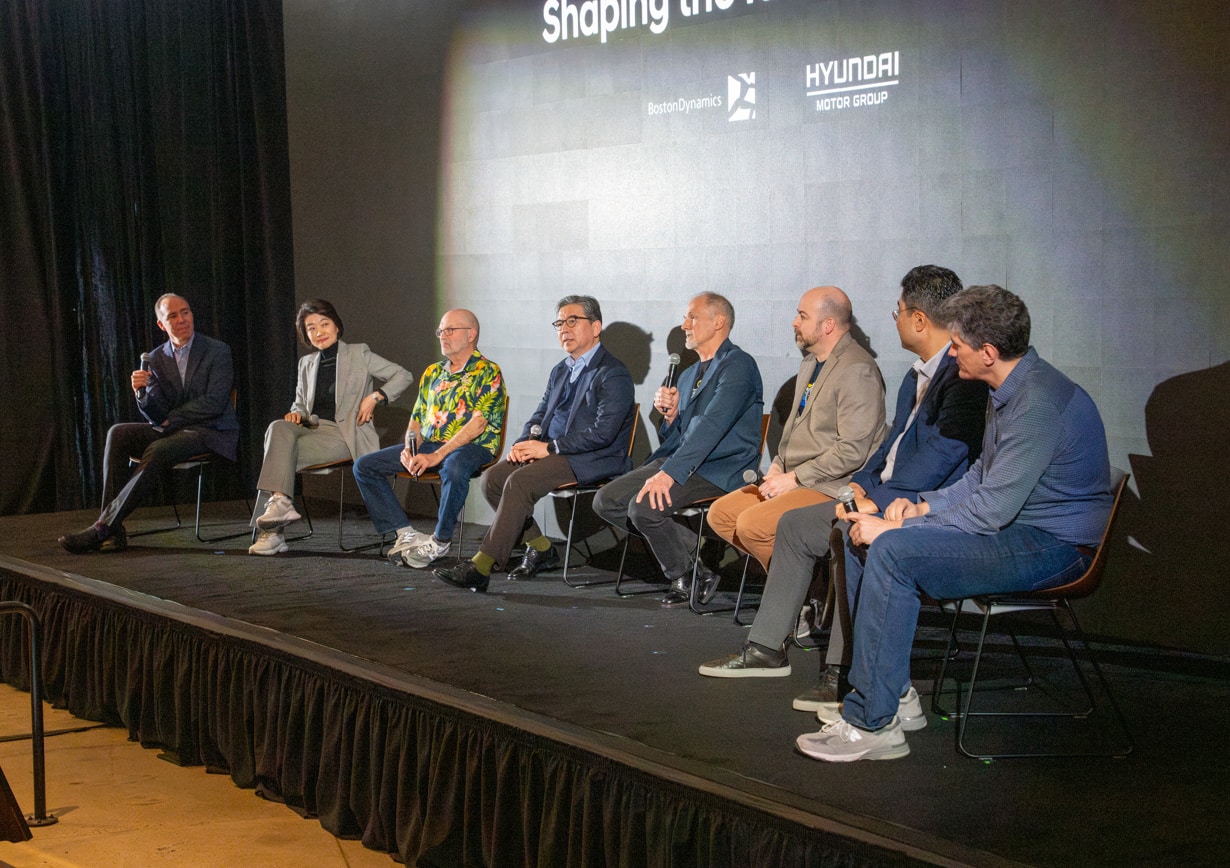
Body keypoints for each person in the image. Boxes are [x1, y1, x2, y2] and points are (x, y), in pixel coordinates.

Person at [796, 285, 1114, 762]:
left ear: (987, 353)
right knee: (862, 537)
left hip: (1055, 547)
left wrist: (899, 530)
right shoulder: (1009, 387)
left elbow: (990, 512)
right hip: (1018, 531)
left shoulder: (1037, 402)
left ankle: (873, 724)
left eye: (958, 345)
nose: (950, 353)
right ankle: (891, 693)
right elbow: (981, 477)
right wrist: (922, 507)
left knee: (892, 550)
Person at [698, 266, 987, 711]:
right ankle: (767, 648)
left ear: (919, 320)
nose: (894, 319)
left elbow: (945, 456)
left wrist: (873, 497)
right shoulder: (916, 375)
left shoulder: (958, 377)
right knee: (794, 527)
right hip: (875, 492)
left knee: (842, 533)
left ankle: (843, 670)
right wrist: (861, 486)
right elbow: (887, 447)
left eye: (898, 311)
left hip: (920, 506)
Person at [436, 296, 635, 592]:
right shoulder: (560, 370)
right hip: (555, 452)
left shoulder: (613, 373)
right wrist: (524, 442)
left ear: (596, 327)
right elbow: (540, 414)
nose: (564, 329)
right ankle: (541, 547)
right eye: (560, 323)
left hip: (593, 457)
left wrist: (550, 448)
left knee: (520, 482)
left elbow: (603, 434)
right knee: (493, 479)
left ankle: (481, 566)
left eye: (572, 321)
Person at [593, 293, 763, 608]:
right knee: (606, 501)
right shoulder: (687, 375)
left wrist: (669, 473)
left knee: (644, 508)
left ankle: (684, 574)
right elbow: (680, 436)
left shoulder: (738, 365)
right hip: (682, 460)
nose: (685, 325)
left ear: (719, 322)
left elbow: (712, 427)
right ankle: (693, 557)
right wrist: (671, 418)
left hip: (720, 468)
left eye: (692, 317)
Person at [706, 285, 886, 570]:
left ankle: (796, 588)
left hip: (831, 484)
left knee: (752, 524)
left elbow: (852, 451)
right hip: (796, 476)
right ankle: (800, 582)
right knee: (720, 514)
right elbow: (794, 430)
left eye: (802, 316)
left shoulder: (857, 369)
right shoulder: (811, 362)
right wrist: (778, 466)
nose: (794, 322)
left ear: (828, 325)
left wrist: (795, 479)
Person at [59, 294, 239, 553]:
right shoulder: (155, 359)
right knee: (118, 433)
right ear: (161, 324)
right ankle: (113, 529)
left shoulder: (217, 350)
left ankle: (102, 528)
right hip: (174, 431)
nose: (182, 319)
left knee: (159, 448)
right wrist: (141, 395)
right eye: (173, 316)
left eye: (185, 312)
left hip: (212, 431)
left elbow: (215, 402)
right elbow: (158, 414)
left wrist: (171, 419)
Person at [247, 299, 414, 555]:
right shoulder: (306, 363)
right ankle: (280, 504)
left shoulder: (358, 354)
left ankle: (272, 533)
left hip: (345, 435)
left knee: (277, 455)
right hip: (313, 430)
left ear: (336, 326)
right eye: (311, 328)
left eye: (324, 324)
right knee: (278, 430)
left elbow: (403, 375)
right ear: (306, 335)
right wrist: (296, 414)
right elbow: (300, 404)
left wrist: (376, 397)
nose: (319, 332)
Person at [353, 309, 506, 569]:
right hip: (432, 445)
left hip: (473, 446)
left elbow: (478, 424)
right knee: (364, 466)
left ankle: (440, 541)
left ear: (471, 335)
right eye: (440, 331)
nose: (443, 335)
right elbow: (417, 418)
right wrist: (410, 448)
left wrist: (437, 455)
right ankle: (405, 533)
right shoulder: (433, 372)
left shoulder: (488, 371)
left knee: (454, 467)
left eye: (450, 330)